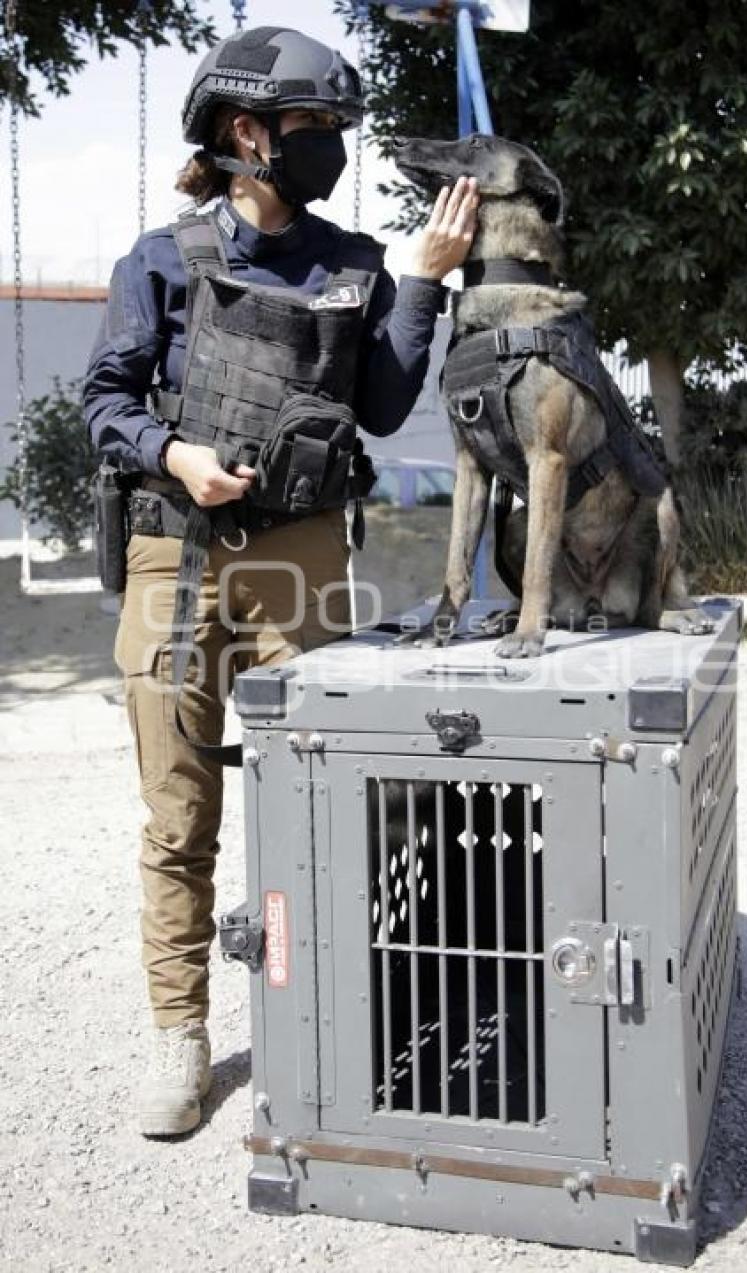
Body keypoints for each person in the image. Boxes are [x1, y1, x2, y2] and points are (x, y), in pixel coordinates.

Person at [83, 25, 478, 1138]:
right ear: (246, 133)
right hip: (179, 556)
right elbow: (105, 401)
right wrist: (175, 457)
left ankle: (320, 1029)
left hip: (303, 555)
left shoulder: (354, 263)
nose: (331, 149)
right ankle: (179, 1036)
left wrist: (423, 284)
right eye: (314, 129)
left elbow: (388, 405)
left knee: (315, 803)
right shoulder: (161, 259)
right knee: (178, 812)